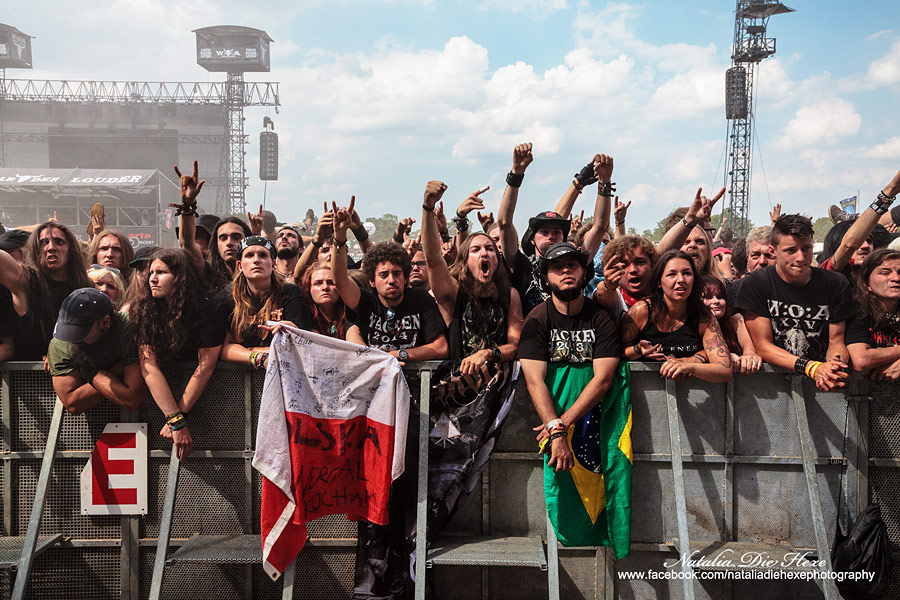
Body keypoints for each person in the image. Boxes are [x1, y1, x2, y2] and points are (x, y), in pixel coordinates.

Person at [518, 241, 631, 556]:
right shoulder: (537, 320)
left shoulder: (601, 319)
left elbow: (603, 379)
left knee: (606, 485)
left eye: (573, 265)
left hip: (595, 426)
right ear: (546, 278)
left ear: (585, 272)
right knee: (562, 493)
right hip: (555, 424)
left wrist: (559, 427)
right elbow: (533, 381)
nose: (566, 271)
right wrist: (556, 430)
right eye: (557, 267)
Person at [736, 214, 854, 391]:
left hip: (820, 385)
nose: (800, 257)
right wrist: (812, 368)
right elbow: (763, 346)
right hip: (771, 387)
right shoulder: (756, 284)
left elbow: (836, 340)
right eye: (791, 250)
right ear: (773, 250)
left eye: (806, 248)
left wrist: (834, 366)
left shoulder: (835, 283)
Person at [130, 248, 228, 459]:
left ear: (180, 277)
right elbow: (149, 367)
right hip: (162, 403)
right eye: (151, 273)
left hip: (213, 397)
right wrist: (175, 418)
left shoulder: (211, 306)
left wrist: (178, 417)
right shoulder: (143, 309)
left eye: (162, 273)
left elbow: (205, 366)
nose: (153, 279)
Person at [497, 143, 614, 316]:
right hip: (532, 340)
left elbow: (599, 227)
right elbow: (505, 223)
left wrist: (604, 182)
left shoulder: (574, 265)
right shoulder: (522, 266)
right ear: (531, 239)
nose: (551, 236)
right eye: (544, 232)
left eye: (557, 232)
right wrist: (516, 173)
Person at [620, 250, 732, 382]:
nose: (680, 280)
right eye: (672, 274)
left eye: (687, 273)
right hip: (644, 393)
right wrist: (637, 350)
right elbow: (615, 353)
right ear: (659, 282)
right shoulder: (642, 311)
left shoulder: (703, 316)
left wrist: (690, 366)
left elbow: (724, 370)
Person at [0, 222, 92, 360]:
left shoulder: (85, 287)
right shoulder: (27, 281)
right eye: (43, 242)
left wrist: (61, 354)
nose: (51, 248)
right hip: (28, 377)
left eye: (59, 242)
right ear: (36, 249)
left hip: (74, 375)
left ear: (70, 248)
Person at [48, 288, 146, 415]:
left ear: (105, 322)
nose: (71, 338)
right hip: (91, 424)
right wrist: (118, 369)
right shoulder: (60, 343)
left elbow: (133, 398)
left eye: (80, 331)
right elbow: (72, 404)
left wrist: (91, 374)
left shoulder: (131, 328)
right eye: (68, 328)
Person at [220, 236, 311, 369]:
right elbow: (225, 349)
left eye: (263, 255)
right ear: (239, 265)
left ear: (273, 263)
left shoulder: (289, 293)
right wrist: (259, 358)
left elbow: (300, 347)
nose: (256, 260)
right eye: (249, 255)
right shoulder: (229, 296)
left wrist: (292, 330)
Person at [845, 249, 900, 378]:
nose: (896, 278)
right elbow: (861, 359)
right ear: (867, 283)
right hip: (862, 395)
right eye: (885, 273)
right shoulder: (857, 312)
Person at [701, 275, 761, 374]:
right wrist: (726, 356)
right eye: (708, 297)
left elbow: (749, 345)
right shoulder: (691, 328)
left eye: (720, 297)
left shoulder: (734, 321)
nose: (716, 301)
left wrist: (749, 354)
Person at [656, 187, 724, 275]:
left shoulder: (718, 286)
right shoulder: (659, 280)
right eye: (686, 242)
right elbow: (659, 254)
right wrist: (689, 220)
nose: (693, 245)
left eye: (699, 242)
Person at [593, 235, 658, 321]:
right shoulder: (615, 294)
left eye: (640, 262)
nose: (633, 270)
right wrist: (608, 286)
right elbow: (603, 295)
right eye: (625, 264)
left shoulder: (663, 296)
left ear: (652, 265)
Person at [298, 260, 348, 339]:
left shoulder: (350, 315)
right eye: (318, 283)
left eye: (331, 282)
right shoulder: (303, 318)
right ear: (308, 288)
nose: (325, 287)